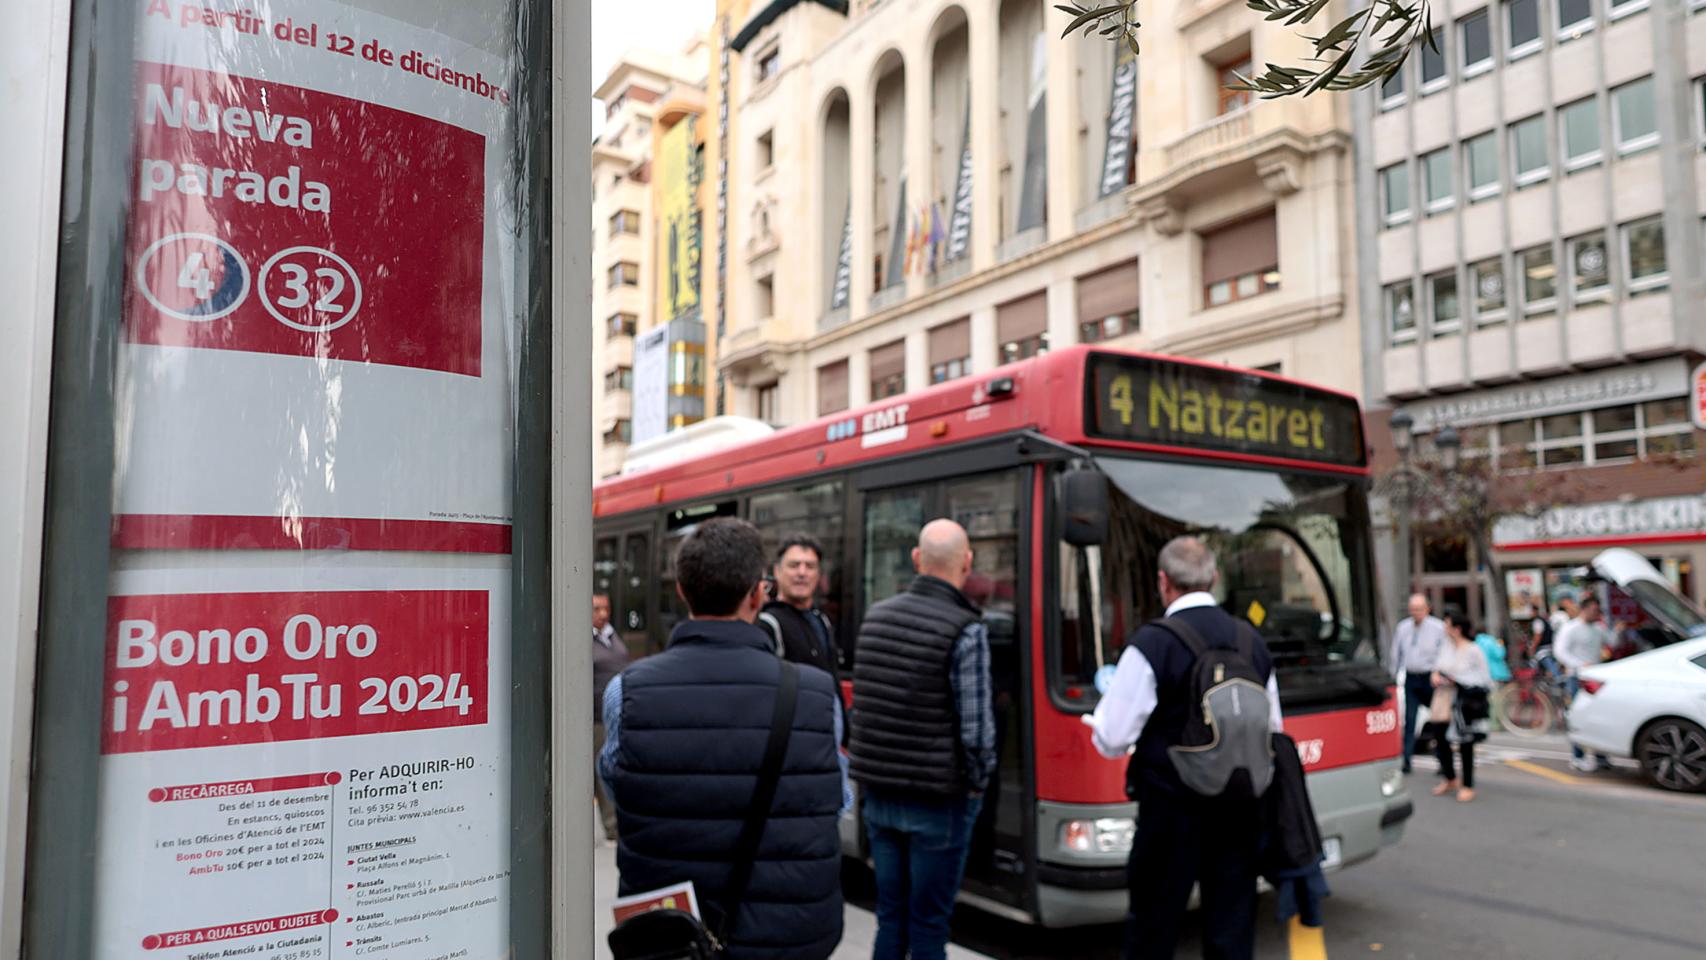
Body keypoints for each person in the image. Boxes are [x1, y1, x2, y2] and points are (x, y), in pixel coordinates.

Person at [599, 518, 846, 960]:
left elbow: (620, 785)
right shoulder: (816, 694)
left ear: (681, 590)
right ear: (759, 593)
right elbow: (836, 798)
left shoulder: (628, 689)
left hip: (672, 937)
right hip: (790, 934)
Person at [1085, 536, 1282, 960]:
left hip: (1171, 811)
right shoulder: (1252, 642)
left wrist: (1096, 725)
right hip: (1239, 807)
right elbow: (1273, 728)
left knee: (1153, 928)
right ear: (1213, 578)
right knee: (1232, 930)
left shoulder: (1153, 643)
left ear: (1163, 582)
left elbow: (1113, 737)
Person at [848, 519, 995, 960]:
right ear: (967, 563)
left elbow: (863, 711)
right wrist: (976, 784)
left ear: (916, 559)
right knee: (929, 923)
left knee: (891, 915)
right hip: (939, 802)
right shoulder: (966, 629)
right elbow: (977, 733)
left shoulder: (875, 617)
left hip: (880, 796)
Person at [1424, 611, 1492, 803]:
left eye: (1447, 625)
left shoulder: (1473, 650)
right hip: (1443, 699)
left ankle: (1468, 785)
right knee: (1439, 737)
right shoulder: (1446, 647)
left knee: (1465, 743)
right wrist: (1436, 675)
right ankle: (1450, 778)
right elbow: (1437, 667)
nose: (1445, 629)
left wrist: (1459, 680)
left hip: (1464, 702)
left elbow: (1484, 678)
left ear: (1457, 629)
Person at [759, 533, 843, 687]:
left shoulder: (822, 620)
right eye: (794, 565)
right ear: (777, 571)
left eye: (810, 566)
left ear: (818, 575)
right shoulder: (768, 623)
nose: (802, 573)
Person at [1555, 594, 1624, 772]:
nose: (1597, 613)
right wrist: (1578, 664)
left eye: (1598, 610)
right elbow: (1560, 651)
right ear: (1584, 609)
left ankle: (1601, 756)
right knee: (1577, 716)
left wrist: (1617, 630)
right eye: (1594, 610)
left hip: (1596, 678)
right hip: (1576, 678)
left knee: (1600, 716)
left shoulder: (1598, 628)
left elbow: (1611, 643)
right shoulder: (1570, 628)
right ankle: (1578, 757)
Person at [1390, 594, 1447, 774]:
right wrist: (1394, 675)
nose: (1416, 613)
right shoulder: (1403, 627)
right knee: (1410, 720)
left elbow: (1444, 652)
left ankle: (1443, 760)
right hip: (1411, 677)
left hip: (1430, 678)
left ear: (1427, 609)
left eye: (1420, 609)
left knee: (1438, 720)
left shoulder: (1438, 627)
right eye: (1413, 609)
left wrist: (1438, 671)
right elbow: (1396, 653)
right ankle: (1407, 760)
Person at [591, 591, 629, 843]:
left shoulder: (612, 637)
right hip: (593, 719)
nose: (603, 613)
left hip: (615, 717)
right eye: (597, 609)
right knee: (595, 772)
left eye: (606, 608)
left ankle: (613, 827)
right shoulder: (585, 639)